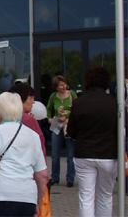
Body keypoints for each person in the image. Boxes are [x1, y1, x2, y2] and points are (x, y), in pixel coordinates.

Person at [66, 66, 118, 217]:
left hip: (84, 153)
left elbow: (71, 131)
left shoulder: (79, 102)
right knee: (105, 196)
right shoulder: (114, 103)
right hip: (109, 153)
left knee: (86, 197)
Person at [46, 75, 76, 187]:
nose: (63, 87)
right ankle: (55, 177)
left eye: (64, 84)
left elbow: (77, 108)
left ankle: (70, 178)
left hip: (69, 126)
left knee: (70, 154)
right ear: (56, 87)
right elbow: (48, 108)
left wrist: (67, 115)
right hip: (57, 125)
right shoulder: (53, 96)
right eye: (60, 85)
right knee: (55, 153)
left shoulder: (71, 94)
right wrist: (49, 118)